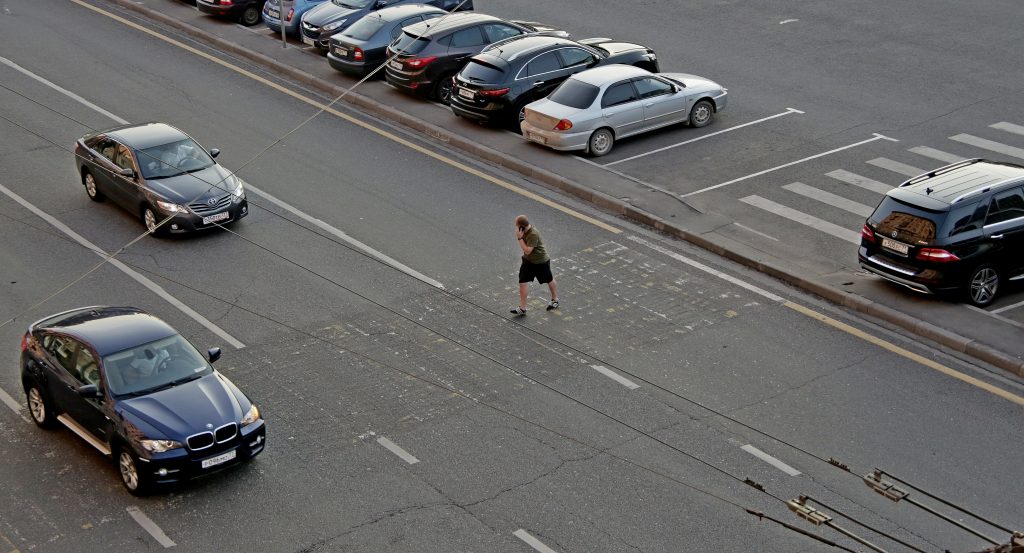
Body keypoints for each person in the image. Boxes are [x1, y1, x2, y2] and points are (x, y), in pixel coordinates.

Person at [510, 215, 558, 315]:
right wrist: (520, 236)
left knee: (549, 279)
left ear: (521, 226)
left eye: (516, 225)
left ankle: (555, 300)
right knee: (522, 281)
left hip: (540, 262)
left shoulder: (533, 234)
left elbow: (527, 251)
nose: (515, 227)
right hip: (528, 261)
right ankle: (522, 308)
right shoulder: (523, 231)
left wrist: (519, 238)